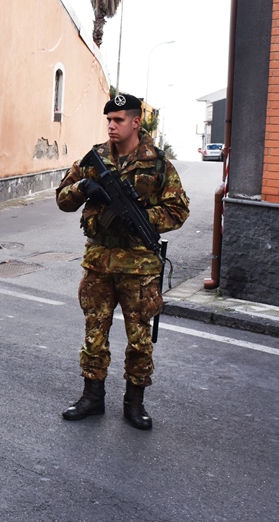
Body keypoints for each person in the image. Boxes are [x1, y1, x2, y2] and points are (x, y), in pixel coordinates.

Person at [55, 93, 189, 430]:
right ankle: (92, 396)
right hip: (99, 263)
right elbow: (62, 199)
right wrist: (85, 186)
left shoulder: (157, 164)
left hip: (139, 269)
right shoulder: (95, 158)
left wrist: (141, 218)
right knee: (94, 333)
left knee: (140, 339)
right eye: (109, 121)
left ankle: (134, 403)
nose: (112, 126)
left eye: (118, 120)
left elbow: (178, 210)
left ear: (135, 122)